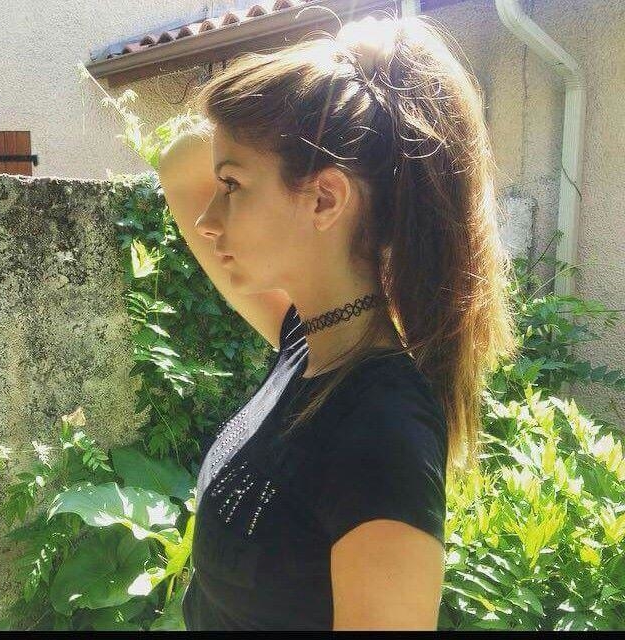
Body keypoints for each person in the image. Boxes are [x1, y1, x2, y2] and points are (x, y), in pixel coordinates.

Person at [157, 12, 517, 631]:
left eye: (232, 185)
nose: (208, 220)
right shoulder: (309, 341)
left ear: (325, 198)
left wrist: (320, 94)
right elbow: (177, 166)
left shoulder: (383, 435)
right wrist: (343, 76)